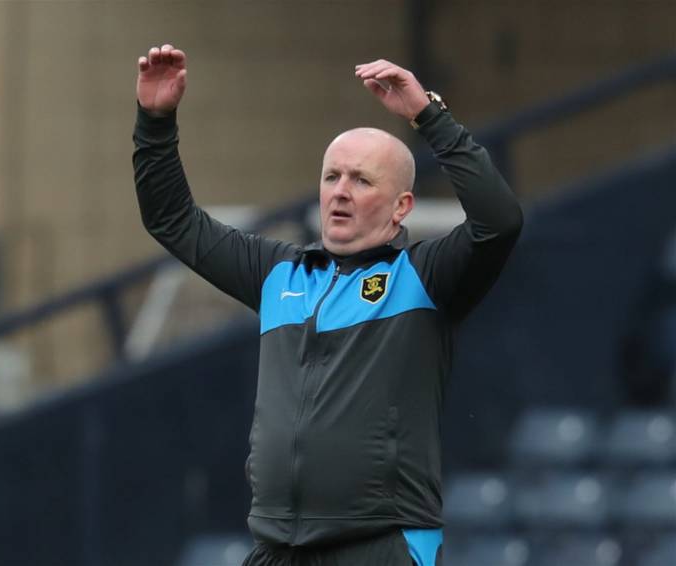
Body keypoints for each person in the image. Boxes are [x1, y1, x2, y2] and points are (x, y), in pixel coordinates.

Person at [134, 44, 523, 566]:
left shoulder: (422, 277)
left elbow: (499, 221)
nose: (340, 191)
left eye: (361, 180)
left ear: (401, 206)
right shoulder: (278, 274)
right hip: (277, 549)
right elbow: (172, 219)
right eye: (331, 176)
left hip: (380, 548)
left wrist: (426, 115)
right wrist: (156, 121)